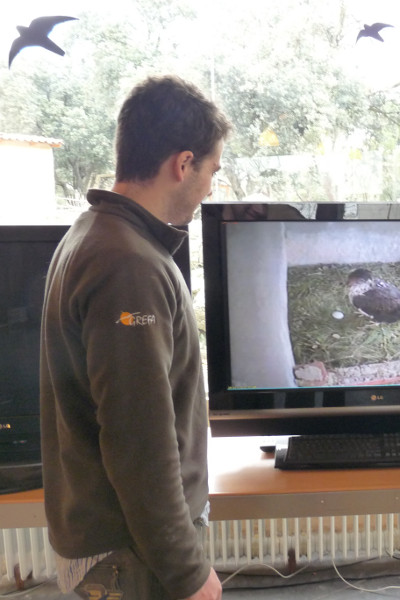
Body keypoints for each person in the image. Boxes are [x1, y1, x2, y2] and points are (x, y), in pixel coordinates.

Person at [39, 75, 231, 600]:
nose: (211, 186)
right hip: (131, 555)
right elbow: (138, 441)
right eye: (212, 169)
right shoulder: (128, 265)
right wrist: (188, 573)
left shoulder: (94, 233)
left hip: (120, 544)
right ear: (182, 163)